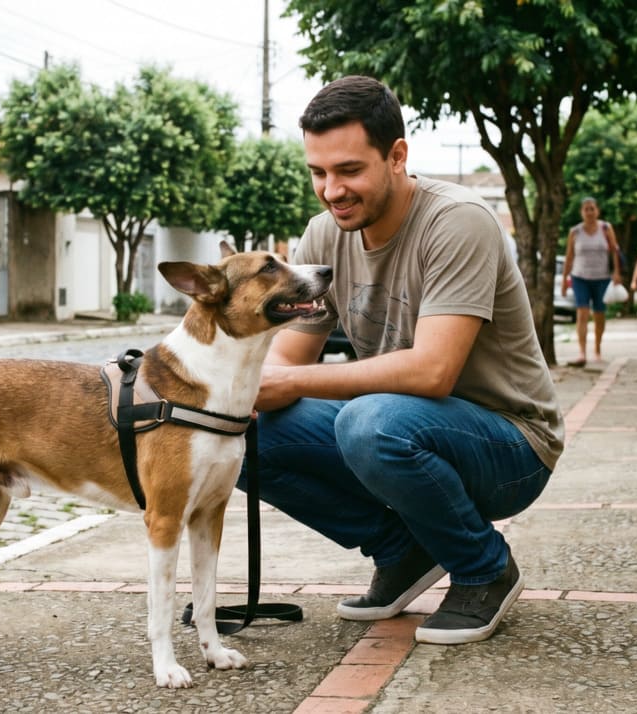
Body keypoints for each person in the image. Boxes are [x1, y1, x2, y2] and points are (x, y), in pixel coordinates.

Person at [236, 76, 564, 646]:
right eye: (318, 172)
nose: (331, 190)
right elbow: (286, 363)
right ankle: (403, 550)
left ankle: (484, 568)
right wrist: (239, 393)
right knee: (238, 430)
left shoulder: (457, 220)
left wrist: (289, 380)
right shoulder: (323, 237)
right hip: (402, 431)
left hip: (511, 445)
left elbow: (433, 372)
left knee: (369, 421)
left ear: (396, 156)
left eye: (349, 170)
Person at [560, 197, 622, 367]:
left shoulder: (606, 228)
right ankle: (582, 352)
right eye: (586, 209)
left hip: (602, 278)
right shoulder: (575, 232)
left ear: (597, 211)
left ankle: (597, 350)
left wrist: (617, 272)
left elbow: (615, 251)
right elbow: (569, 257)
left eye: (592, 208)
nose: (589, 212)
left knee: (599, 314)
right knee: (582, 313)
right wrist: (564, 280)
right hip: (579, 277)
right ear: (581, 212)